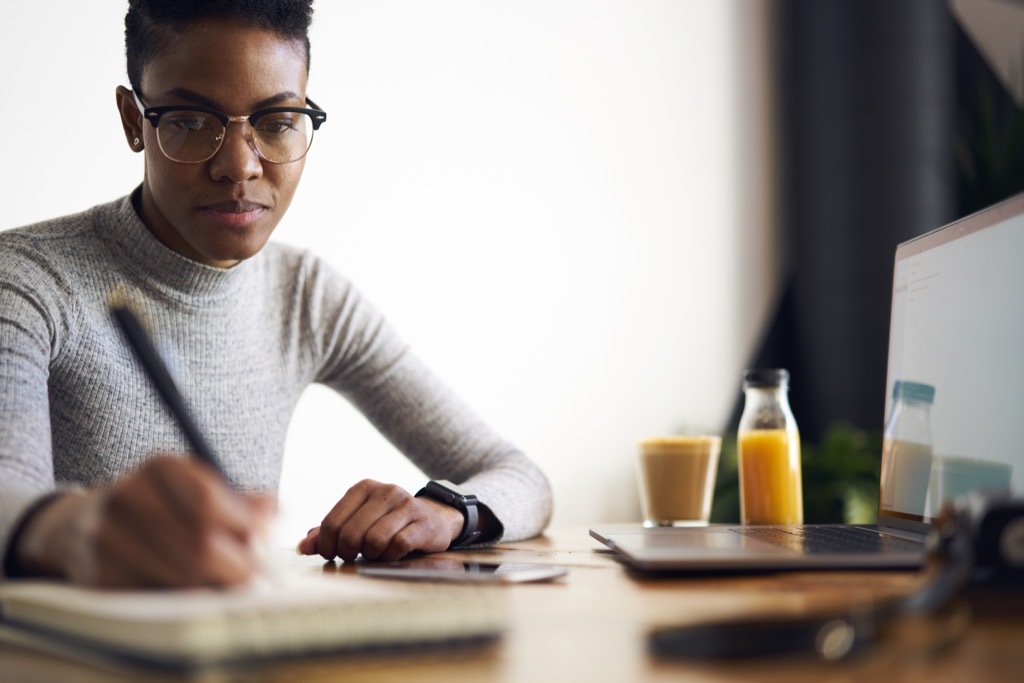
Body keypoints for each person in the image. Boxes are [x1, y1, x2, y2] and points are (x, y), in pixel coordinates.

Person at [0, 0, 552, 588]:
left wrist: (449, 513)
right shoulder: (26, 281)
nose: (239, 167)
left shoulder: (306, 296)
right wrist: (79, 531)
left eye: (277, 121)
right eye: (189, 120)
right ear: (134, 120)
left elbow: (521, 478)